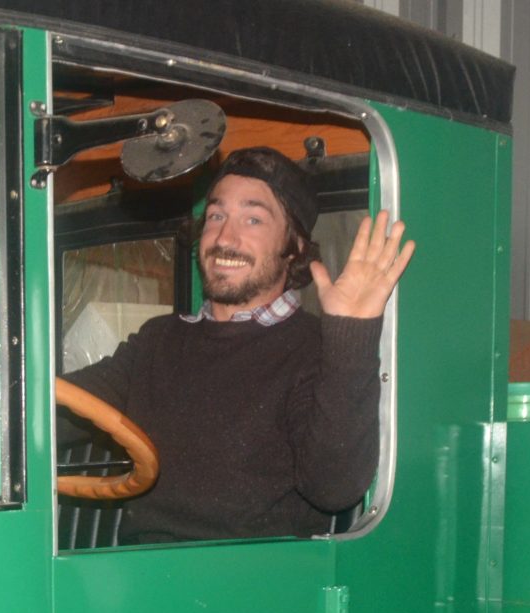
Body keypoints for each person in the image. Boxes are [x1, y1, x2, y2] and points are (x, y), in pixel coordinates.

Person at [61, 146, 414, 543]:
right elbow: (59, 410)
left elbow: (333, 489)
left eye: (253, 219)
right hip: (142, 578)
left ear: (295, 245)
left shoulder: (314, 349)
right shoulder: (158, 340)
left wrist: (350, 334)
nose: (225, 238)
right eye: (216, 216)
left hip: (252, 586)